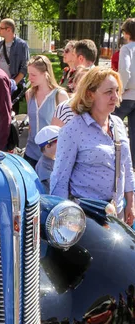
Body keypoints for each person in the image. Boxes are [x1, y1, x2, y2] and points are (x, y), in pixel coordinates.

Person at [50, 67, 135, 225]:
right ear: (90, 94)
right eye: (108, 91)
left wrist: (131, 201)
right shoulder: (73, 129)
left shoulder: (118, 124)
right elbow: (60, 179)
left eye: (117, 91)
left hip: (117, 215)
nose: (115, 97)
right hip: (86, 218)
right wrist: (62, 222)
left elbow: (126, 166)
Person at [24, 55, 68, 168]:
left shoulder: (60, 95)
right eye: (29, 74)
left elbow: (68, 128)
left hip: (51, 156)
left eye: (33, 75)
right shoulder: (29, 94)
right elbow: (31, 125)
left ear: (45, 74)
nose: (29, 78)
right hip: (30, 153)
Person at [0, 18, 29, 112]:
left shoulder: (22, 45)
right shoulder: (0, 45)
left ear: (9, 29)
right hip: (0, 84)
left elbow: (25, 67)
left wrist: (13, 84)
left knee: (12, 112)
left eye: (1, 28)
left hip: (14, 86)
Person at [114, 18, 135, 164]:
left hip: (127, 95)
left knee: (111, 124)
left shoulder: (126, 49)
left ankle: (116, 159)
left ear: (127, 33)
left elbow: (125, 71)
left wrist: (120, 90)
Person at [34, 125, 61, 193]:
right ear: (48, 146)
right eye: (60, 143)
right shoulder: (43, 165)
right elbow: (54, 185)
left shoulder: (55, 158)